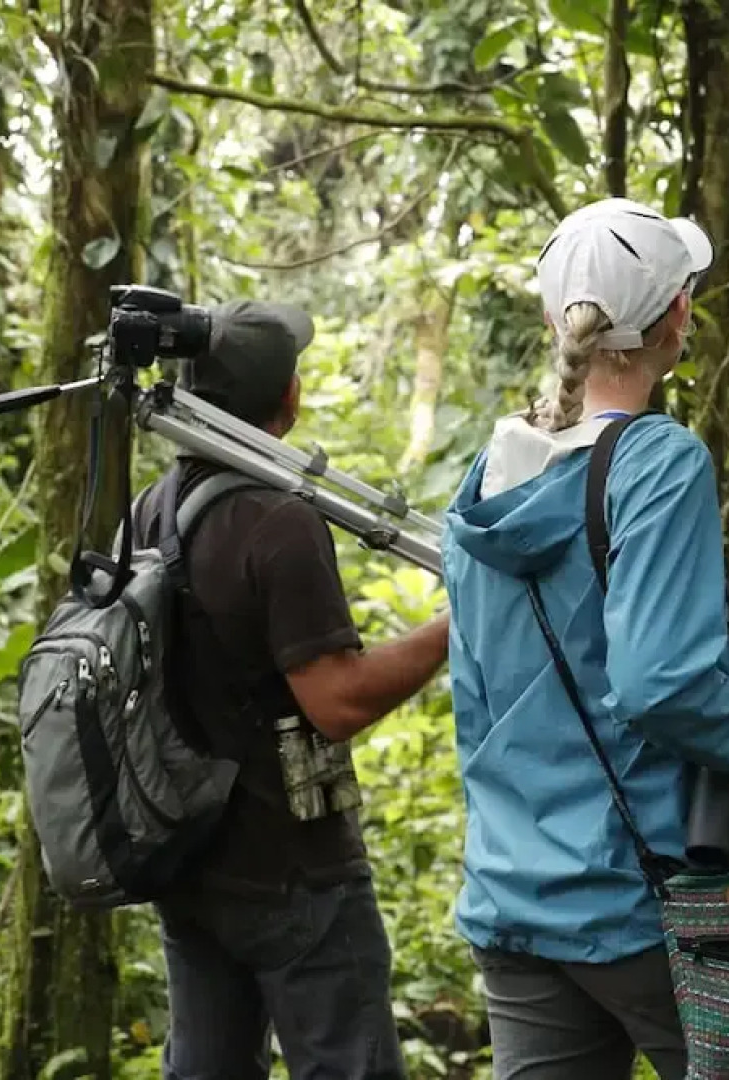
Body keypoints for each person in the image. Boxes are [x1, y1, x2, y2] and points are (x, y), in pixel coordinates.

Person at [440, 197, 729, 1078]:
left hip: (512, 897)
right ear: (676, 316)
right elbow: (659, 684)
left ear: (551, 318)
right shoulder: (657, 463)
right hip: (645, 902)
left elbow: (474, 701)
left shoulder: (487, 479)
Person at [132, 299, 450, 1080]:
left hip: (192, 860)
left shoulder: (154, 510)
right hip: (294, 871)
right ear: (290, 396)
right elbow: (337, 701)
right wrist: (456, 626)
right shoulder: (278, 521)